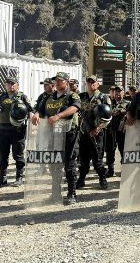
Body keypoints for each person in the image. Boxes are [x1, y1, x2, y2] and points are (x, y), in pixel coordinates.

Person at [31, 72, 82, 205]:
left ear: (67, 82)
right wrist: (36, 114)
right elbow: (40, 109)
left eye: (60, 81)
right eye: (56, 81)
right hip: (53, 134)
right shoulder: (49, 97)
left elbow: (75, 107)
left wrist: (58, 116)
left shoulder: (72, 95)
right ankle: (55, 194)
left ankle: (71, 194)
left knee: (69, 164)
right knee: (54, 164)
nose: (57, 83)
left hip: (69, 134)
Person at [0, 76, 33, 187]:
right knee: (3, 155)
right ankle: (2, 178)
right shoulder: (0, 98)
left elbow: (30, 113)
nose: (11, 85)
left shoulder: (22, 97)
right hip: (2, 130)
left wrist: (29, 127)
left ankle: (19, 178)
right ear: (5, 85)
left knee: (18, 155)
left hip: (17, 130)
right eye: (8, 83)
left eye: (13, 83)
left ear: (17, 85)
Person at [76, 75, 112, 190]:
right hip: (84, 132)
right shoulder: (81, 97)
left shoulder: (103, 97)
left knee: (97, 158)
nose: (91, 84)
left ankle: (102, 178)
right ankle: (81, 179)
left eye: (93, 82)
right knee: (83, 158)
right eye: (89, 82)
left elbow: (108, 117)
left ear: (97, 84)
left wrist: (98, 129)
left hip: (97, 133)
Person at [105, 85, 129, 177]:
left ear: (123, 92)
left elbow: (131, 111)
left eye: (119, 91)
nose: (117, 93)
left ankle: (125, 169)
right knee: (110, 151)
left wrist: (121, 112)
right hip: (111, 130)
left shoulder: (127, 103)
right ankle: (110, 169)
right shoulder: (109, 103)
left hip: (122, 131)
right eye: (116, 91)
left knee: (123, 150)